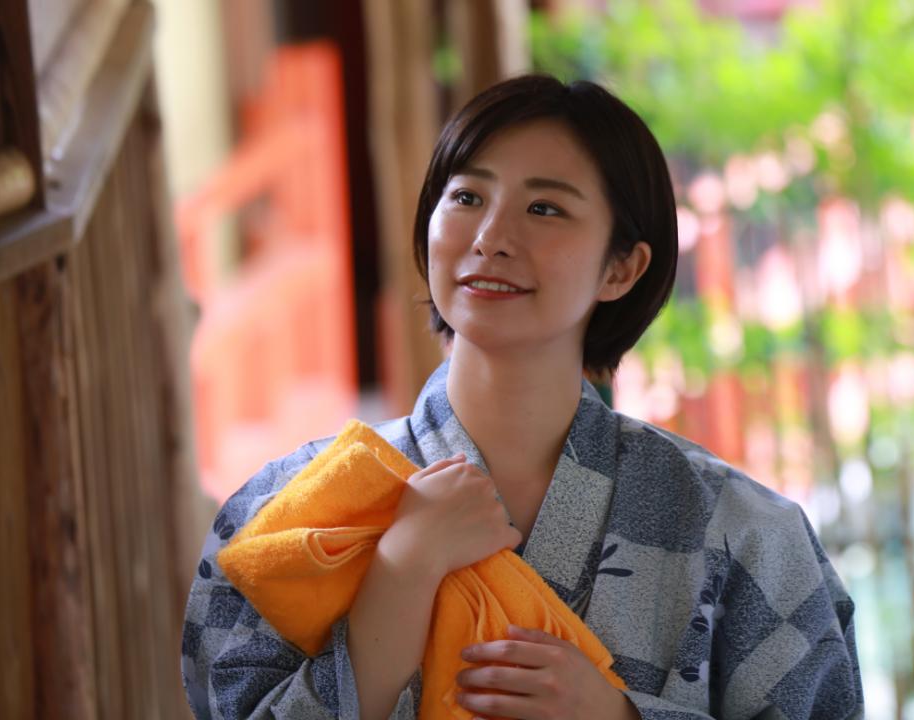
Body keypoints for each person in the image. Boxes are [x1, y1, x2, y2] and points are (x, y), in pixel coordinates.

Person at [182, 74, 863, 720]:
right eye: (467, 198)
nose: (489, 239)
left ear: (622, 268)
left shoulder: (744, 533)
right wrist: (401, 570)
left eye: (544, 208)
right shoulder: (285, 511)